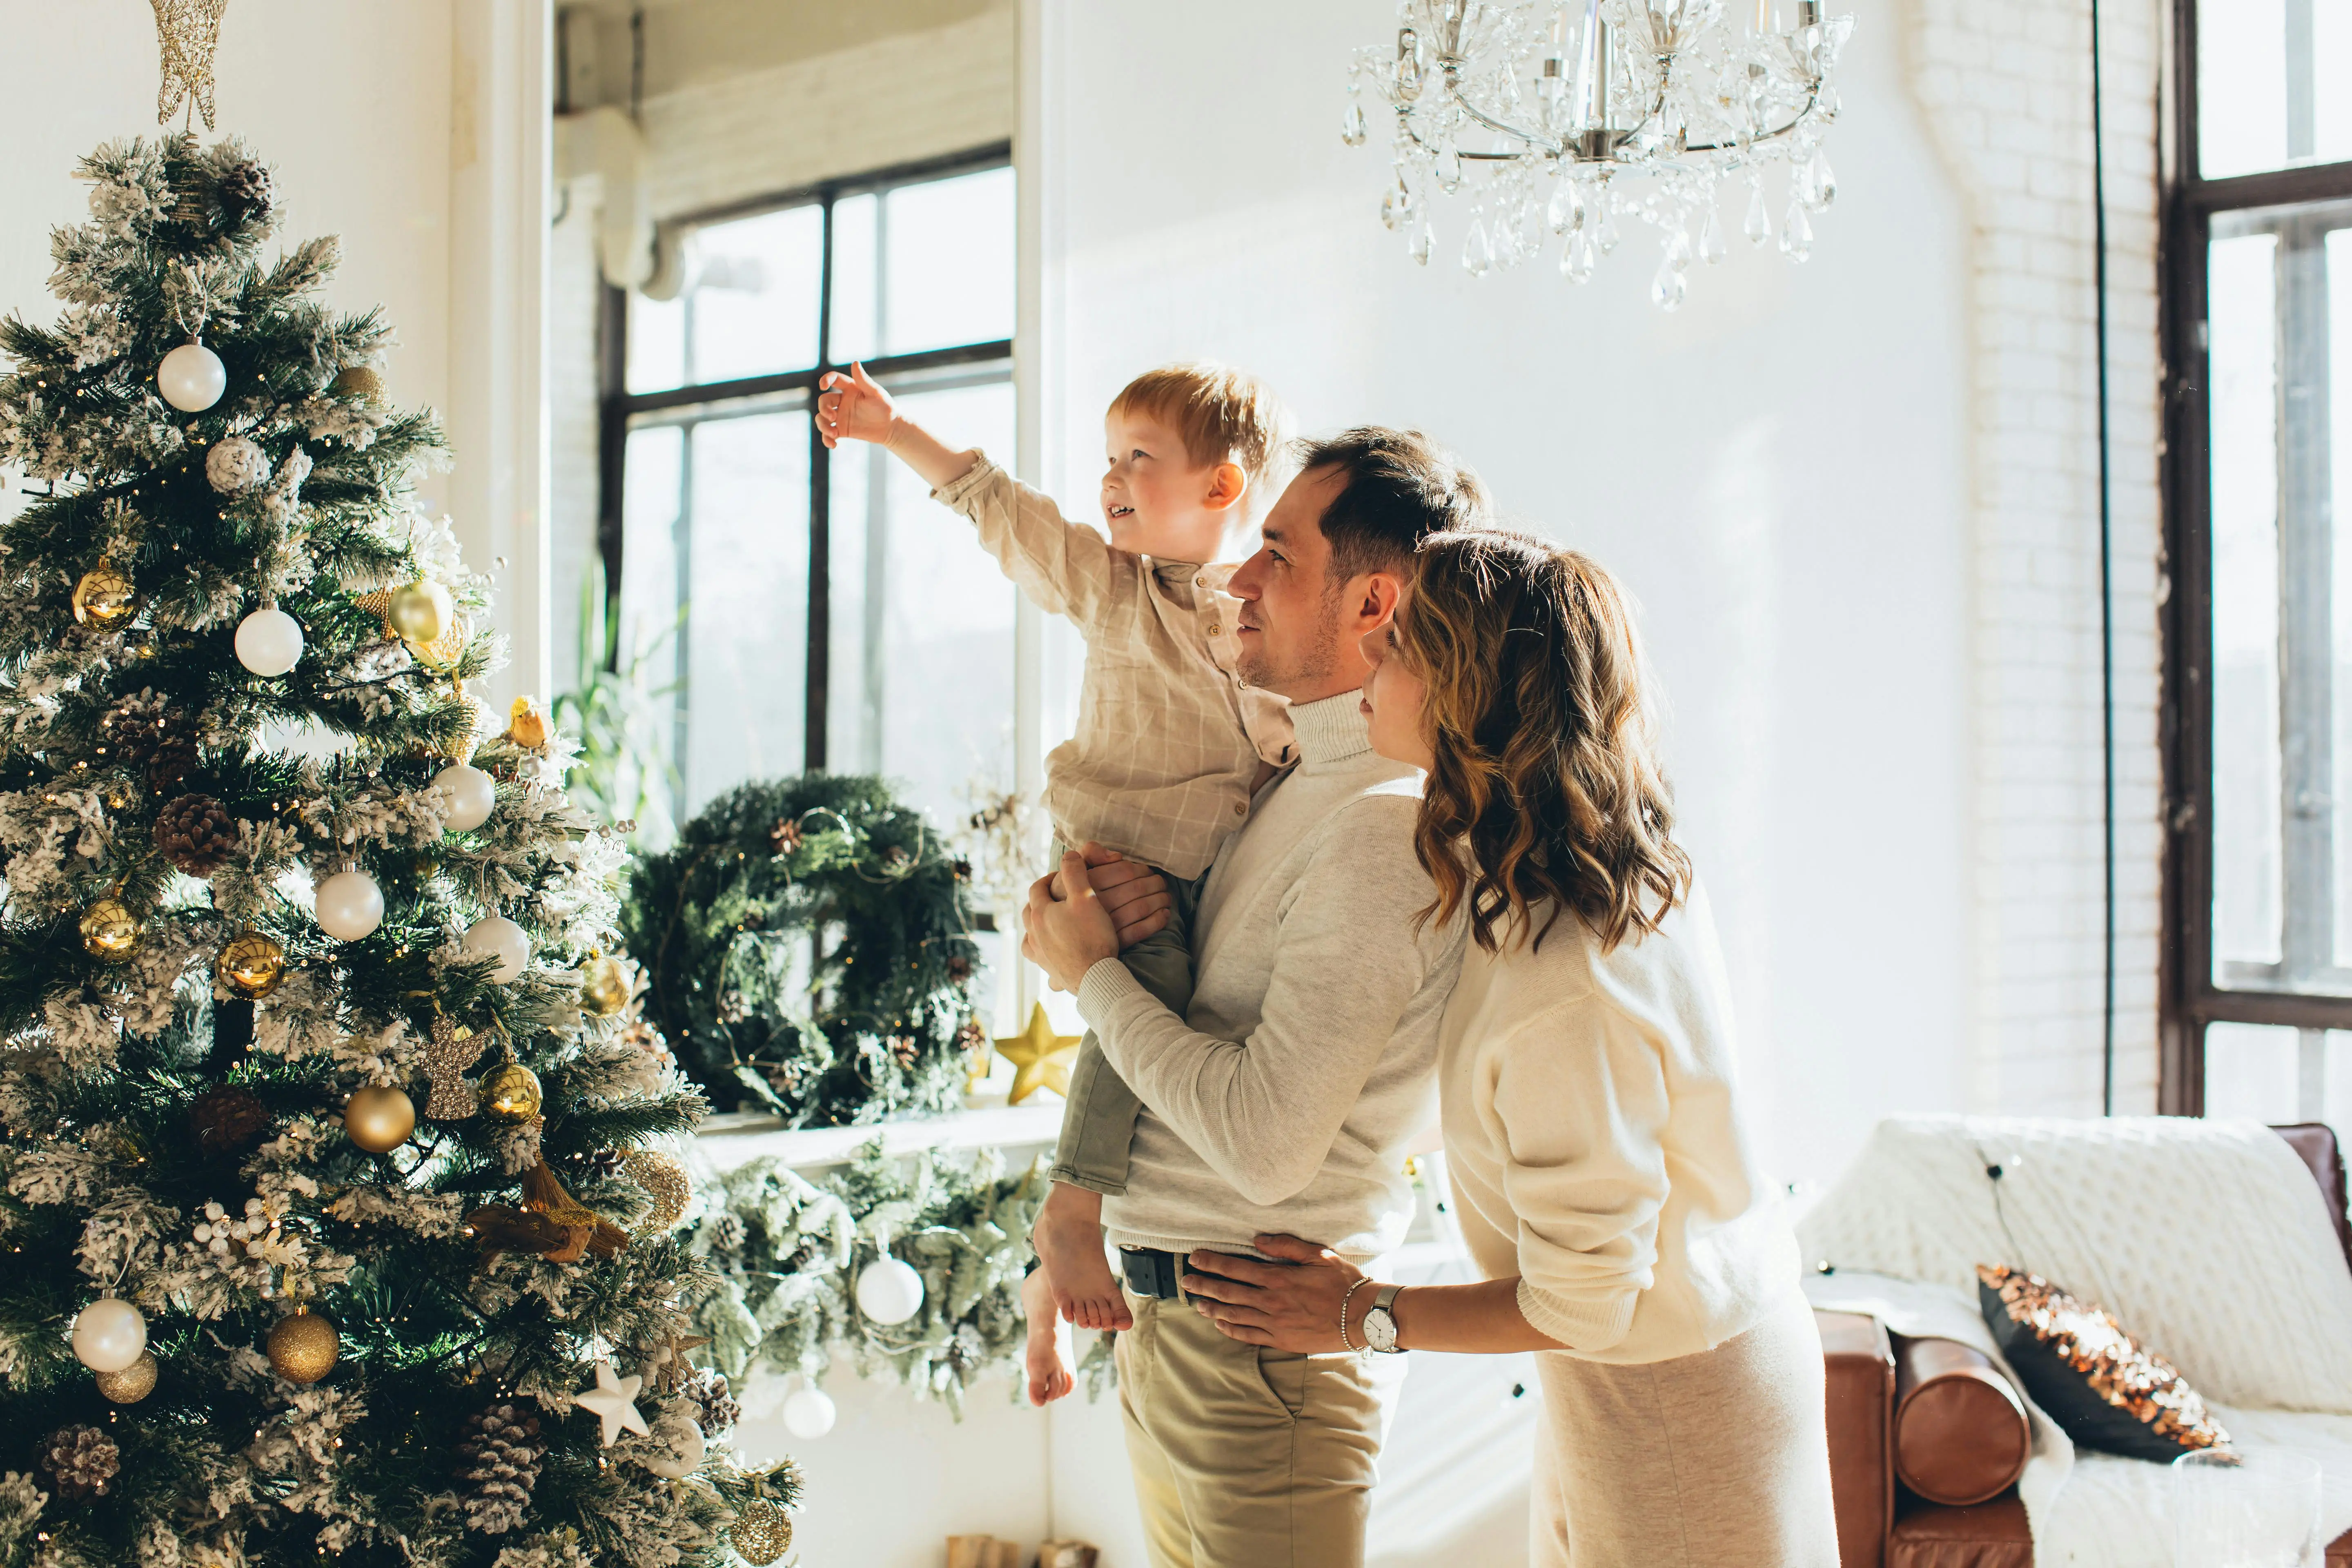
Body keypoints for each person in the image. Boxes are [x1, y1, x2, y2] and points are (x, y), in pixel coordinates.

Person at [1033, 529, 1840, 1567]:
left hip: (1673, 1401)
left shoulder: (1566, 976)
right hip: (1645, 1372)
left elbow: (1584, 1299)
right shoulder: (1555, 875)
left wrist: (1366, 1313)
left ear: (1470, 694)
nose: (1370, 657)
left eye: (1403, 645)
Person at [1020, 430, 1486, 1568]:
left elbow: (1266, 1148)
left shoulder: (1383, 822)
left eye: (1278, 552)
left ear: (1374, 601)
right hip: (1184, 1332)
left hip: (1254, 1356)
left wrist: (1094, 978)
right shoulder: (1289, 784)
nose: (1238, 577)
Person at [814, 360, 1296, 1403]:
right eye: (1108, 457)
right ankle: (1071, 1216)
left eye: (1140, 459)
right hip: (1120, 859)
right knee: (1148, 1003)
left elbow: (1288, 729)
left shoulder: (1258, 607)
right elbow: (1002, 507)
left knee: (1179, 1064)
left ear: (1221, 488)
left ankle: (1049, 1283)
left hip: (1204, 877)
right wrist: (896, 431)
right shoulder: (1114, 587)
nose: (1110, 477)